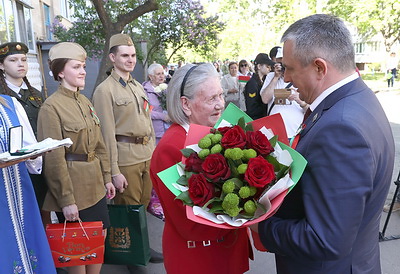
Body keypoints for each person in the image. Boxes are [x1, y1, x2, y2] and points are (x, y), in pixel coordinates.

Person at [253, 14, 395, 274]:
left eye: (290, 68)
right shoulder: (357, 99)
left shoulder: (341, 128)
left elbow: (325, 239)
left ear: (319, 67)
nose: (286, 78)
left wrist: (258, 225)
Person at [150, 63, 251, 274]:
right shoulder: (171, 147)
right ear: (185, 104)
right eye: (211, 99)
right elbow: (187, 222)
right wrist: (242, 212)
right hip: (200, 258)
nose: (220, 105)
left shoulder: (217, 131)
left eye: (220, 96)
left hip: (226, 251)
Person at [37, 42, 116, 274]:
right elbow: (54, 159)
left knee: (97, 242)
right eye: (76, 67)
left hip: (96, 186)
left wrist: (107, 177)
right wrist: (65, 199)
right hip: (74, 189)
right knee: (77, 253)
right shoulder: (51, 108)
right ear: (61, 72)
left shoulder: (85, 101)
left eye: (83, 66)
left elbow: (99, 144)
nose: (83, 71)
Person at [92, 33, 163, 264]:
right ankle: (132, 257)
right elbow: (106, 135)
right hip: (125, 159)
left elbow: (148, 122)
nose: (130, 59)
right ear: (113, 57)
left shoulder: (137, 86)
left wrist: (153, 152)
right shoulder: (105, 90)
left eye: (132, 55)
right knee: (128, 208)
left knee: (141, 207)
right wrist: (113, 170)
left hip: (145, 155)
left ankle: (142, 248)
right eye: (125, 55)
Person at [0, 94, 56, 273]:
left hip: (20, 189)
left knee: (29, 241)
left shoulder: (10, 103)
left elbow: (27, 144)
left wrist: (34, 154)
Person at [0, 42, 49, 223]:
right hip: (13, 168)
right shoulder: (2, 97)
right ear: (1, 65)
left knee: (42, 216)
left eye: (23, 60)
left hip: (39, 164)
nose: (20, 64)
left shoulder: (35, 93)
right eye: (13, 60)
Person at [260, 46, 308, 138]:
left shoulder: (302, 77)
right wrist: (275, 77)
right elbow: (265, 100)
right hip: (274, 132)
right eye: (279, 62)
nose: (282, 66)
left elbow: (311, 110)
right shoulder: (271, 77)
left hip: (295, 132)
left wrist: (301, 102)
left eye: (285, 63)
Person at [143, 63, 169, 220]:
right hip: (154, 133)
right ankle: (154, 201)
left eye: (162, 73)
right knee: (155, 167)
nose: (162, 76)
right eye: (158, 74)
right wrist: (163, 116)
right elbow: (146, 111)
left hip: (168, 131)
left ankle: (163, 198)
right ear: (150, 76)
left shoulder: (165, 88)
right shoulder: (144, 90)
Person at [243, 53, 275, 120]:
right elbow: (252, 107)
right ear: (259, 66)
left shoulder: (263, 81)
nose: (269, 69)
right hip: (256, 119)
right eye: (267, 66)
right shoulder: (252, 83)